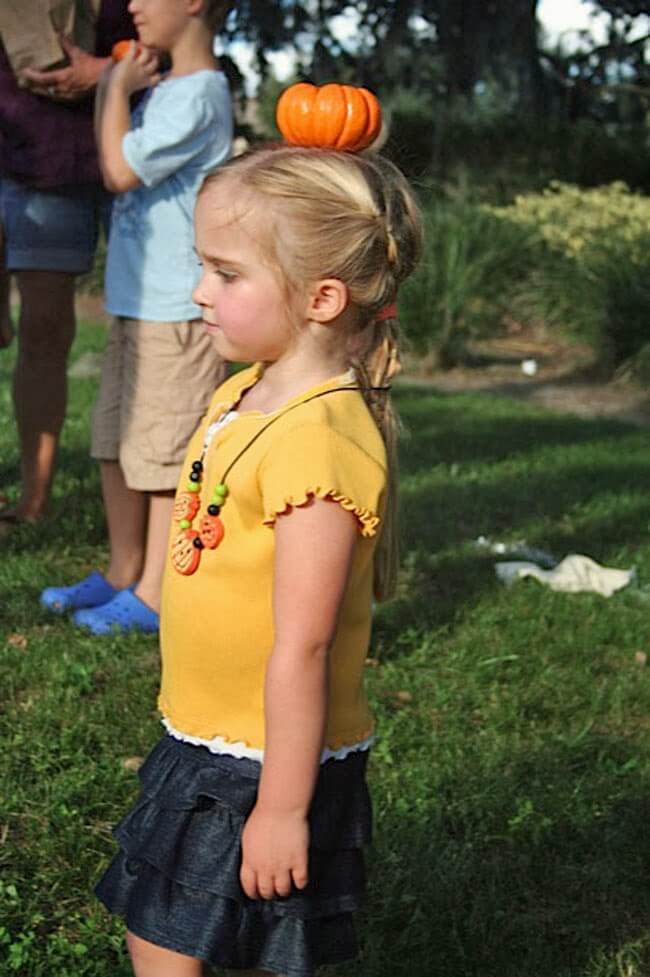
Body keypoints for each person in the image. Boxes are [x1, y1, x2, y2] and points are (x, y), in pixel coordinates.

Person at [94, 142, 423, 977]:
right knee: (190, 929)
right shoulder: (246, 388)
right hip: (211, 731)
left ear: (321, 297)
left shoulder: (319, 443)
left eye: (226, 273)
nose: (200, 290)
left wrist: (281, 807)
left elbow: (304, 644)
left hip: (261, 758)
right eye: (201, 266)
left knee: (175, 936)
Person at [40, 0, 232, 634]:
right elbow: (112, 152)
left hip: (175, 307)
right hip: (134, 298)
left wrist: (116, 86)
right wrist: (111, 89)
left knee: (164, 454)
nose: (133, 6)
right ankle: (123, 571)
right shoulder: (166, 89)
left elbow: (118, 171)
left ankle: (155, 592)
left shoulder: (200, 93)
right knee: (117, 444)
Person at [0, 1, 136, 524]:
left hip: (143, 153)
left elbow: (191, 33)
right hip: (37, 156)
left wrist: (105, 71)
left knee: (158, 333)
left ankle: (166, 497)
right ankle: (34, 501)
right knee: (43, 330)